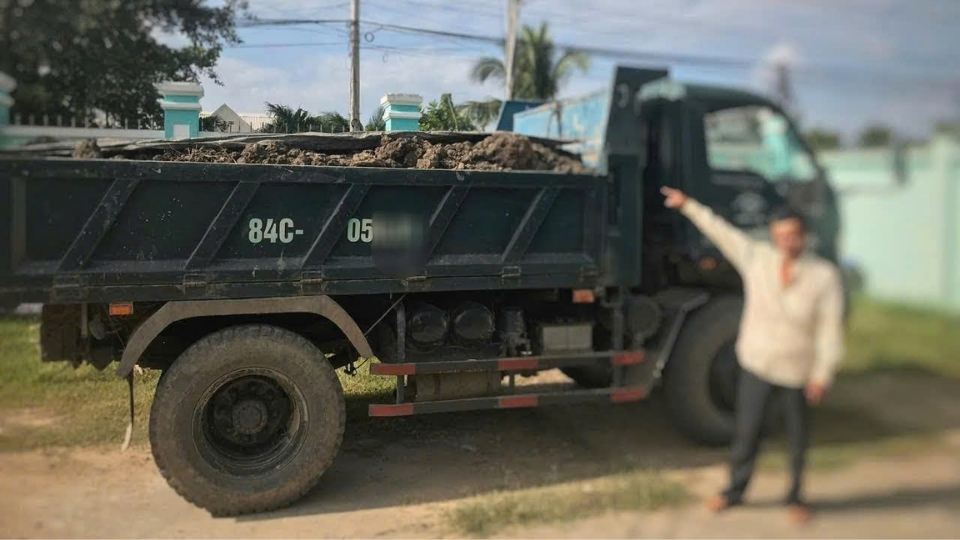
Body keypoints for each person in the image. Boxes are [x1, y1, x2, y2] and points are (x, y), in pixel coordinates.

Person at [661, 186, 845, 524]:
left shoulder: (824, 276)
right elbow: (721, 231)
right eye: (780, 236)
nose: (786, 242)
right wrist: (688, 205)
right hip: (757, 364)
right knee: (746, 434)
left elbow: (829, 331)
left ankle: (796, 497)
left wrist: (822, 374)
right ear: (774, 237)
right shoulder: (758, 259)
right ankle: (734, 491)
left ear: (803, 236)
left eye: (792, 235)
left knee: (796, 439)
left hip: (797, 370)